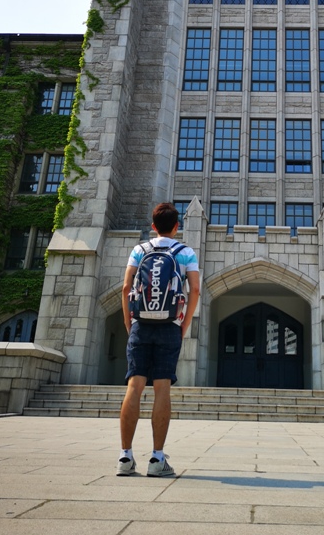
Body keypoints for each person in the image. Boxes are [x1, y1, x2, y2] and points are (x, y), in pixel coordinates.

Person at [117, 202, 200, 477]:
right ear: (177, 226)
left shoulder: (139, 250)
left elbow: (126, 287)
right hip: (169, 326)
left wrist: (129, 323)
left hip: (140, 324)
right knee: (162, 388)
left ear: (153, 226)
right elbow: (195, 290)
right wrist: (183, 324)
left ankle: (125, 457)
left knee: (135, 386)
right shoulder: (185, 252)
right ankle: (157, 458)